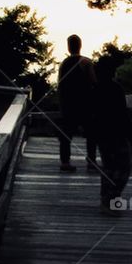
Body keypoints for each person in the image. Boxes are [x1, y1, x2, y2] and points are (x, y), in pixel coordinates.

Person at [87, 54, 132, 212]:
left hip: (102, 134)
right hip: (117, 134)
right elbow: (123, 115)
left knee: (109, 166)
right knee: (124, 166)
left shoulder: (94, 89)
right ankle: (112, 198)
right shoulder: (115, 89)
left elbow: (90, 114)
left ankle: (106, 199)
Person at [57, 34, 97, 172]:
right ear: (80, 45)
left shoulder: (63, 64)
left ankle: (65, 162)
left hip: (68, 104)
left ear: (68, 47)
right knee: (91, 133)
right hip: (85, 104)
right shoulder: (85, 62)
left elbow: (60, 85)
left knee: (66, 134)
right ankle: (91, 161)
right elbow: (94, 82)